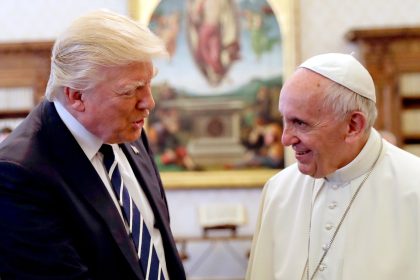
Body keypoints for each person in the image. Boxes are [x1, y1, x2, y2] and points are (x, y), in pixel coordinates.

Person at [0, 10, 186, 280]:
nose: (149, 102)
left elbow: (158, 247)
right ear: (76, 96)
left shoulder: (127, 131)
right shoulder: (17, 175)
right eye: (130, 90)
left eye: (148, 84)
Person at [246, 53, 420, 279]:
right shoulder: (278, 191)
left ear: (353, 125)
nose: (285, 139)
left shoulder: (415, 187)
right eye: (284, 120)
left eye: (299, 123)